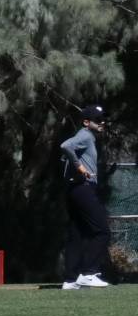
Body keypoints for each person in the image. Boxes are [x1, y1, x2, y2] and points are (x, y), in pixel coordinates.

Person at [59, 104, 112, 290]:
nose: (102, 122)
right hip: (82, 188)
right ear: (86, 122)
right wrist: (80, 167)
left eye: (103, 119)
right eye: (98, 120)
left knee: (77, 233)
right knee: (102, 231)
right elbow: (65, 146)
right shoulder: (85, 135)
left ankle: (70, 279)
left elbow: (67, 154)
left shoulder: (87, 137)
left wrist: (75, 165)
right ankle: (89, 273)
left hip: (74, 189)